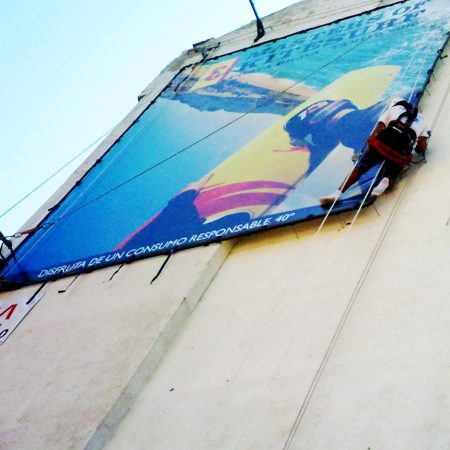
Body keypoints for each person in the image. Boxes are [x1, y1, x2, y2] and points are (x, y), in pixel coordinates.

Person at [319, 98, 431, 205]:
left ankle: (337, 193)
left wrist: (371, 143)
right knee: (394, 170)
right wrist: (418, 150)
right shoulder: (424, 121)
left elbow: (377, 130)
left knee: (361, 167)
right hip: (399, 153)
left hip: (381, 145)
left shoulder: (393, 110)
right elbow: (421, 146)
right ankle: (386, 180)